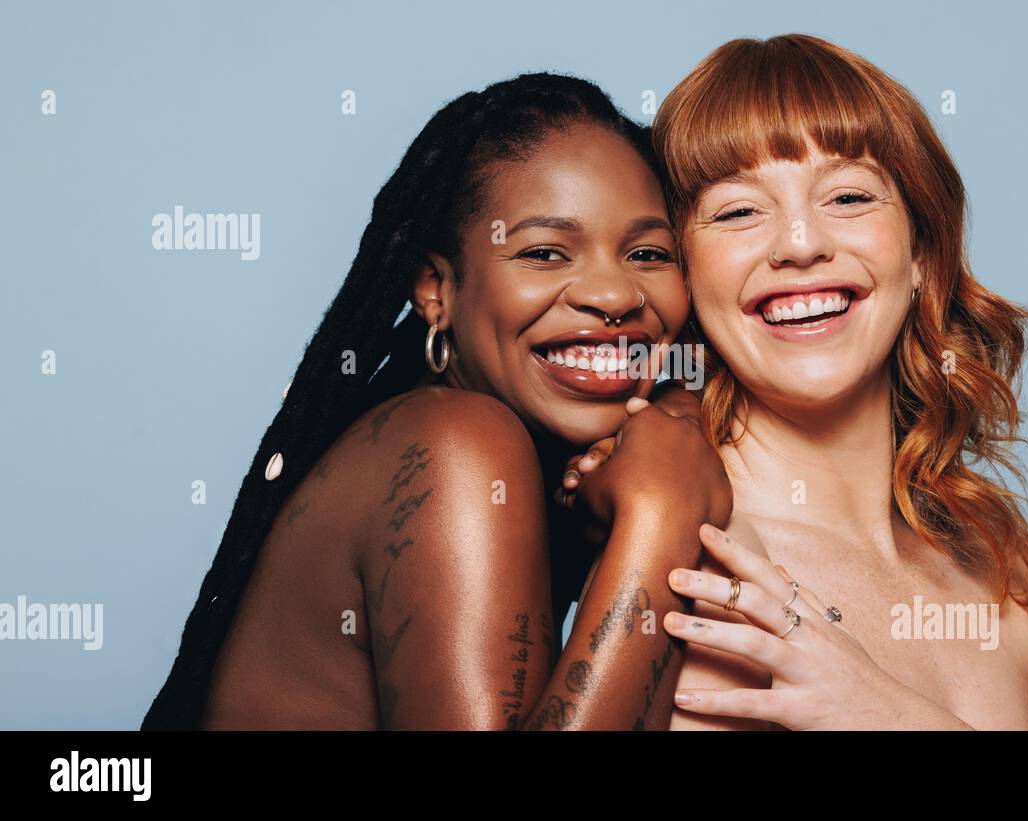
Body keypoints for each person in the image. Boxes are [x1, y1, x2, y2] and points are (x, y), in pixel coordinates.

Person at [574, 34, 1028, 730]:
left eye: (846, 196)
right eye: (739, 210)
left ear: (923, 251)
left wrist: (892, 716)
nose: (801, 244)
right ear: (685, 275)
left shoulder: (995, 546)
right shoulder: (694, 556)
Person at [141, 72, 729, 730]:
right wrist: (661, 517)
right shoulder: (460, 443)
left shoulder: (502, 446)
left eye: (648, 253)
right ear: (436, 292)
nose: (614, 295)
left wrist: (676, 416)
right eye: (544, 252)